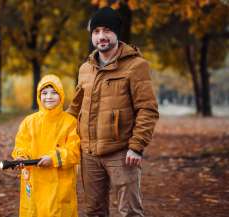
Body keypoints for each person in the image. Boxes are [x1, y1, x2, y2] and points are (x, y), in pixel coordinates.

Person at [67, 7, 159, 217]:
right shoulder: (85, 69)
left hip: (122, 153)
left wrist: (136, 147)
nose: (101, 36)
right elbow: (75, 107)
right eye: (96, 31)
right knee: (94, 211)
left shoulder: (136, 66)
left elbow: (148, 109)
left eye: (107, 30)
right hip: (88, 153)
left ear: (117, 32)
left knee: (130, 212)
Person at [11, 74, 80, 217]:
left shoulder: (70, 122)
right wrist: (21, 157)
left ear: (61, 95)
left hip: (60, 182)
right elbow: (21, 145)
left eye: (54, 92)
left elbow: (74, 151)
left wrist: (54, 158)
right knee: (34, 212)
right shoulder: (29, 122)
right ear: (38, 96)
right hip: (35, 180)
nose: (49, 97)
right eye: (44, 93)